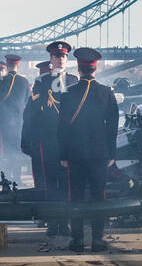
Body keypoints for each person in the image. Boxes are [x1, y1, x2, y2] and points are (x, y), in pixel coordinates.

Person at [57, 47, 119, 252]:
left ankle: (76, 240)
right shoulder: (106, 92)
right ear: (95, 68)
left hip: (75, 154)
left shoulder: (69, 93)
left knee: (75, 197)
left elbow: (62, 128)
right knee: (98, 197)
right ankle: (98, 240)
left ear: (79, 68)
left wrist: (63, 155)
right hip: (99, 155)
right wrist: (112, 154)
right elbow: (112, 127)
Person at [21, 41, 77, 235]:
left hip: (69, 141)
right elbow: (33, 113)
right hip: (49, 140)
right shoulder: (42, 82)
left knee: (68, 182)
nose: (60, 59)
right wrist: (28, 139)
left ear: (67, 59)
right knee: (51, 183)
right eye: (56, 57)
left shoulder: (74, 81)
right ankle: (54, 223)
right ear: (51, 60)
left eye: (63, 56)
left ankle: (66, 222)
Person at [0, 55, 29, 168]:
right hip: (19, 122)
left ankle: (6, 177)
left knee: (6, 151)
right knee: (17, 150)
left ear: (6, 66)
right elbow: (27, 102)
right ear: (18, 65)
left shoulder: (0, 82)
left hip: (3, 122)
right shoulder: (24, 81)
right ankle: (16, 178)